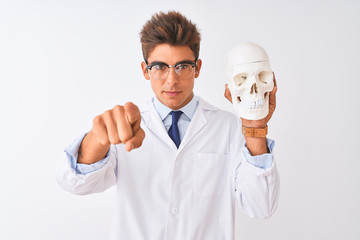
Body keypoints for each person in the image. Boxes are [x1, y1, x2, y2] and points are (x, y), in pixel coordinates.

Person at [57, 11, 280, 240]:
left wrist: (255, 128)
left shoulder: (228, 127)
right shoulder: (126, 125)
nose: (172, 80)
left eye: (182, 66)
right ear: (145, 70)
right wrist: (97, 138)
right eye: (160, 67)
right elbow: (74, 183)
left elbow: (260, 206)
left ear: (198, 68)